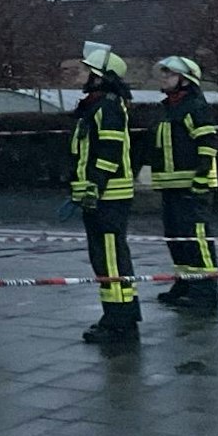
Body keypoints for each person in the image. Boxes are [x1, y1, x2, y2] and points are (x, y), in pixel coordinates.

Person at [69, 42, 140, 343]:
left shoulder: (107, 107)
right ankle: (114, 314)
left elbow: (109, 153)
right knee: (104, 259)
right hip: (99, 195)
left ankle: (121, 323)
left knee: (112, 259)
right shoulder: (96, 106)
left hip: (108, 196)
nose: (80, 74)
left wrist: (95, 186)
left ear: (100, 76)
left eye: (86, 70)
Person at [151, 56, 218, 311]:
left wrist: (201, 177)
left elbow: (207, 142)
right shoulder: (169, 107)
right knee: (176, 237)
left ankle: (204, 292)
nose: (164, 79)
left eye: (169, 75)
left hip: (193, 186)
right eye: (164, 75)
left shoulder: (194, 106)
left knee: (196, 238)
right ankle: (185, 283)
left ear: (185, 79)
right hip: (172, 186)